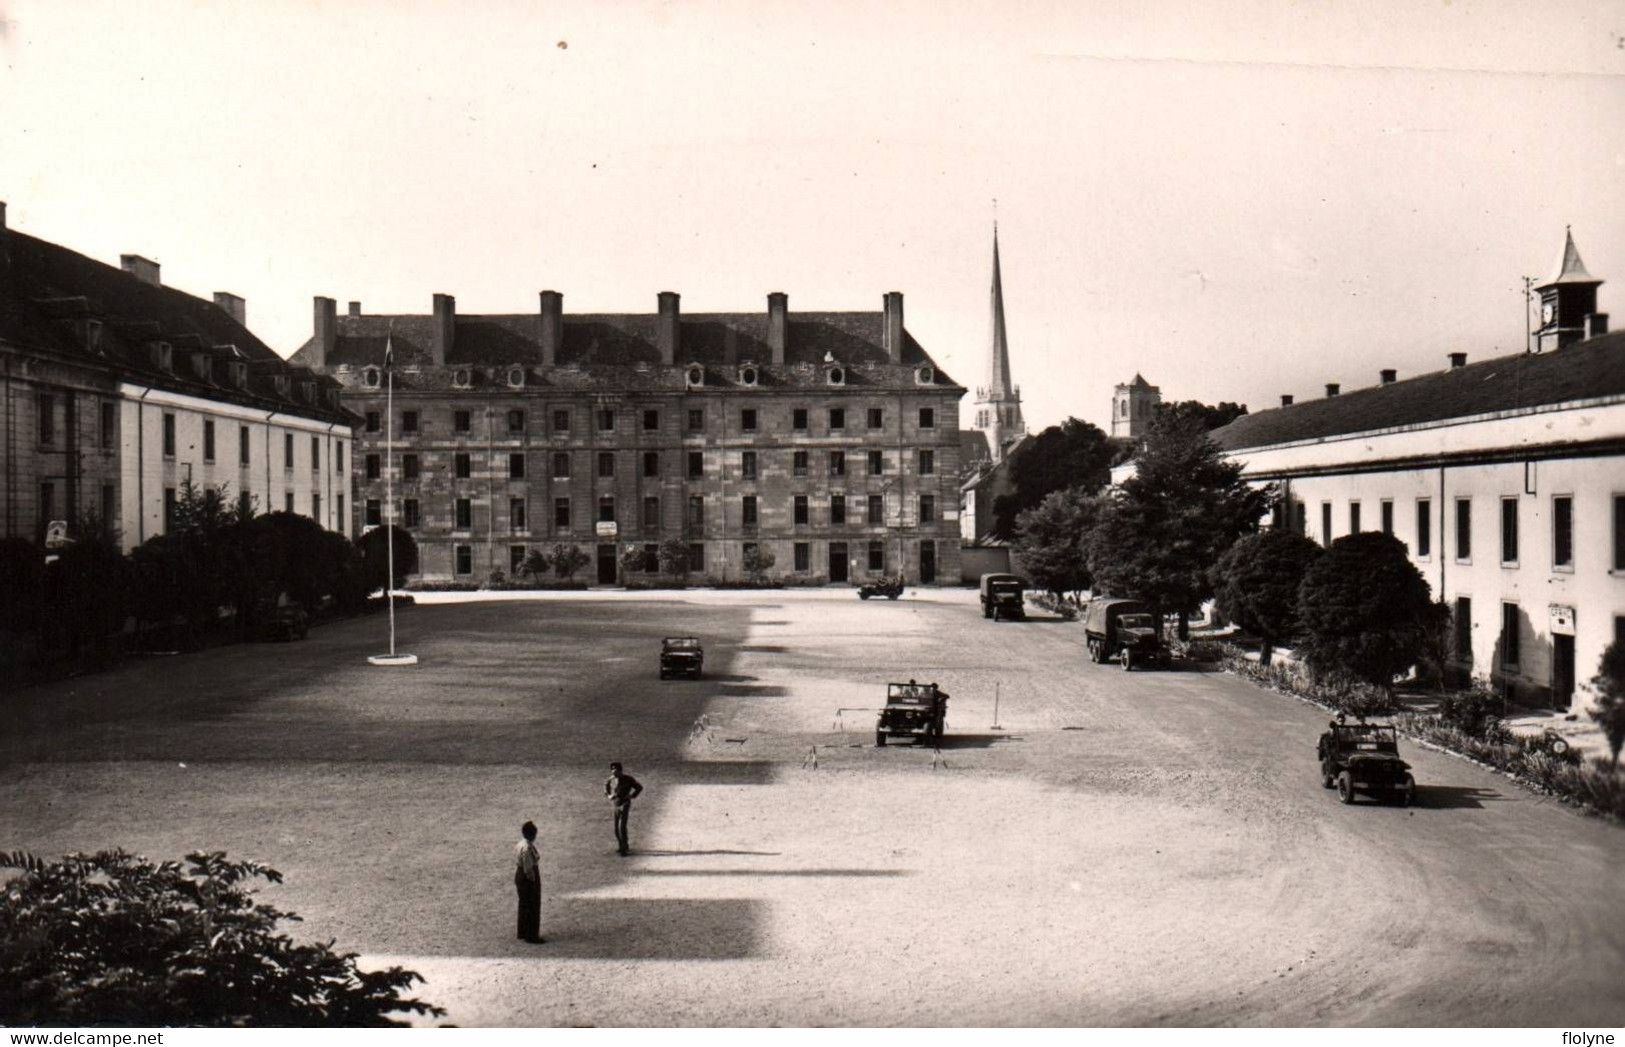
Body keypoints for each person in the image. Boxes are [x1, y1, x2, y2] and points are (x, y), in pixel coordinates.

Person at [605, 762, 643, 856]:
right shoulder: (611, 779)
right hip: (616, 804)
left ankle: (624, 848)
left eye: (616, 771)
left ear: (620, 771)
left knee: (622, 826)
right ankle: (621, 845)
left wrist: (632, 796)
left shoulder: (628, 779)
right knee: (616, 828)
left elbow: (639, 787)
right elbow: (606, 787)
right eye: (613, 771)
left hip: (625, 804)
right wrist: (609, 796)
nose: (614, 774)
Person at [514, 820, 543, 943]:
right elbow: (529, 869)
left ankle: (522, 931)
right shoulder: (527, 848)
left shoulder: (520, 844)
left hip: (520, 875)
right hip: (527, 877)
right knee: (532, 905)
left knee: (523, 904)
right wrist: (534, 881)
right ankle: (531, 935)